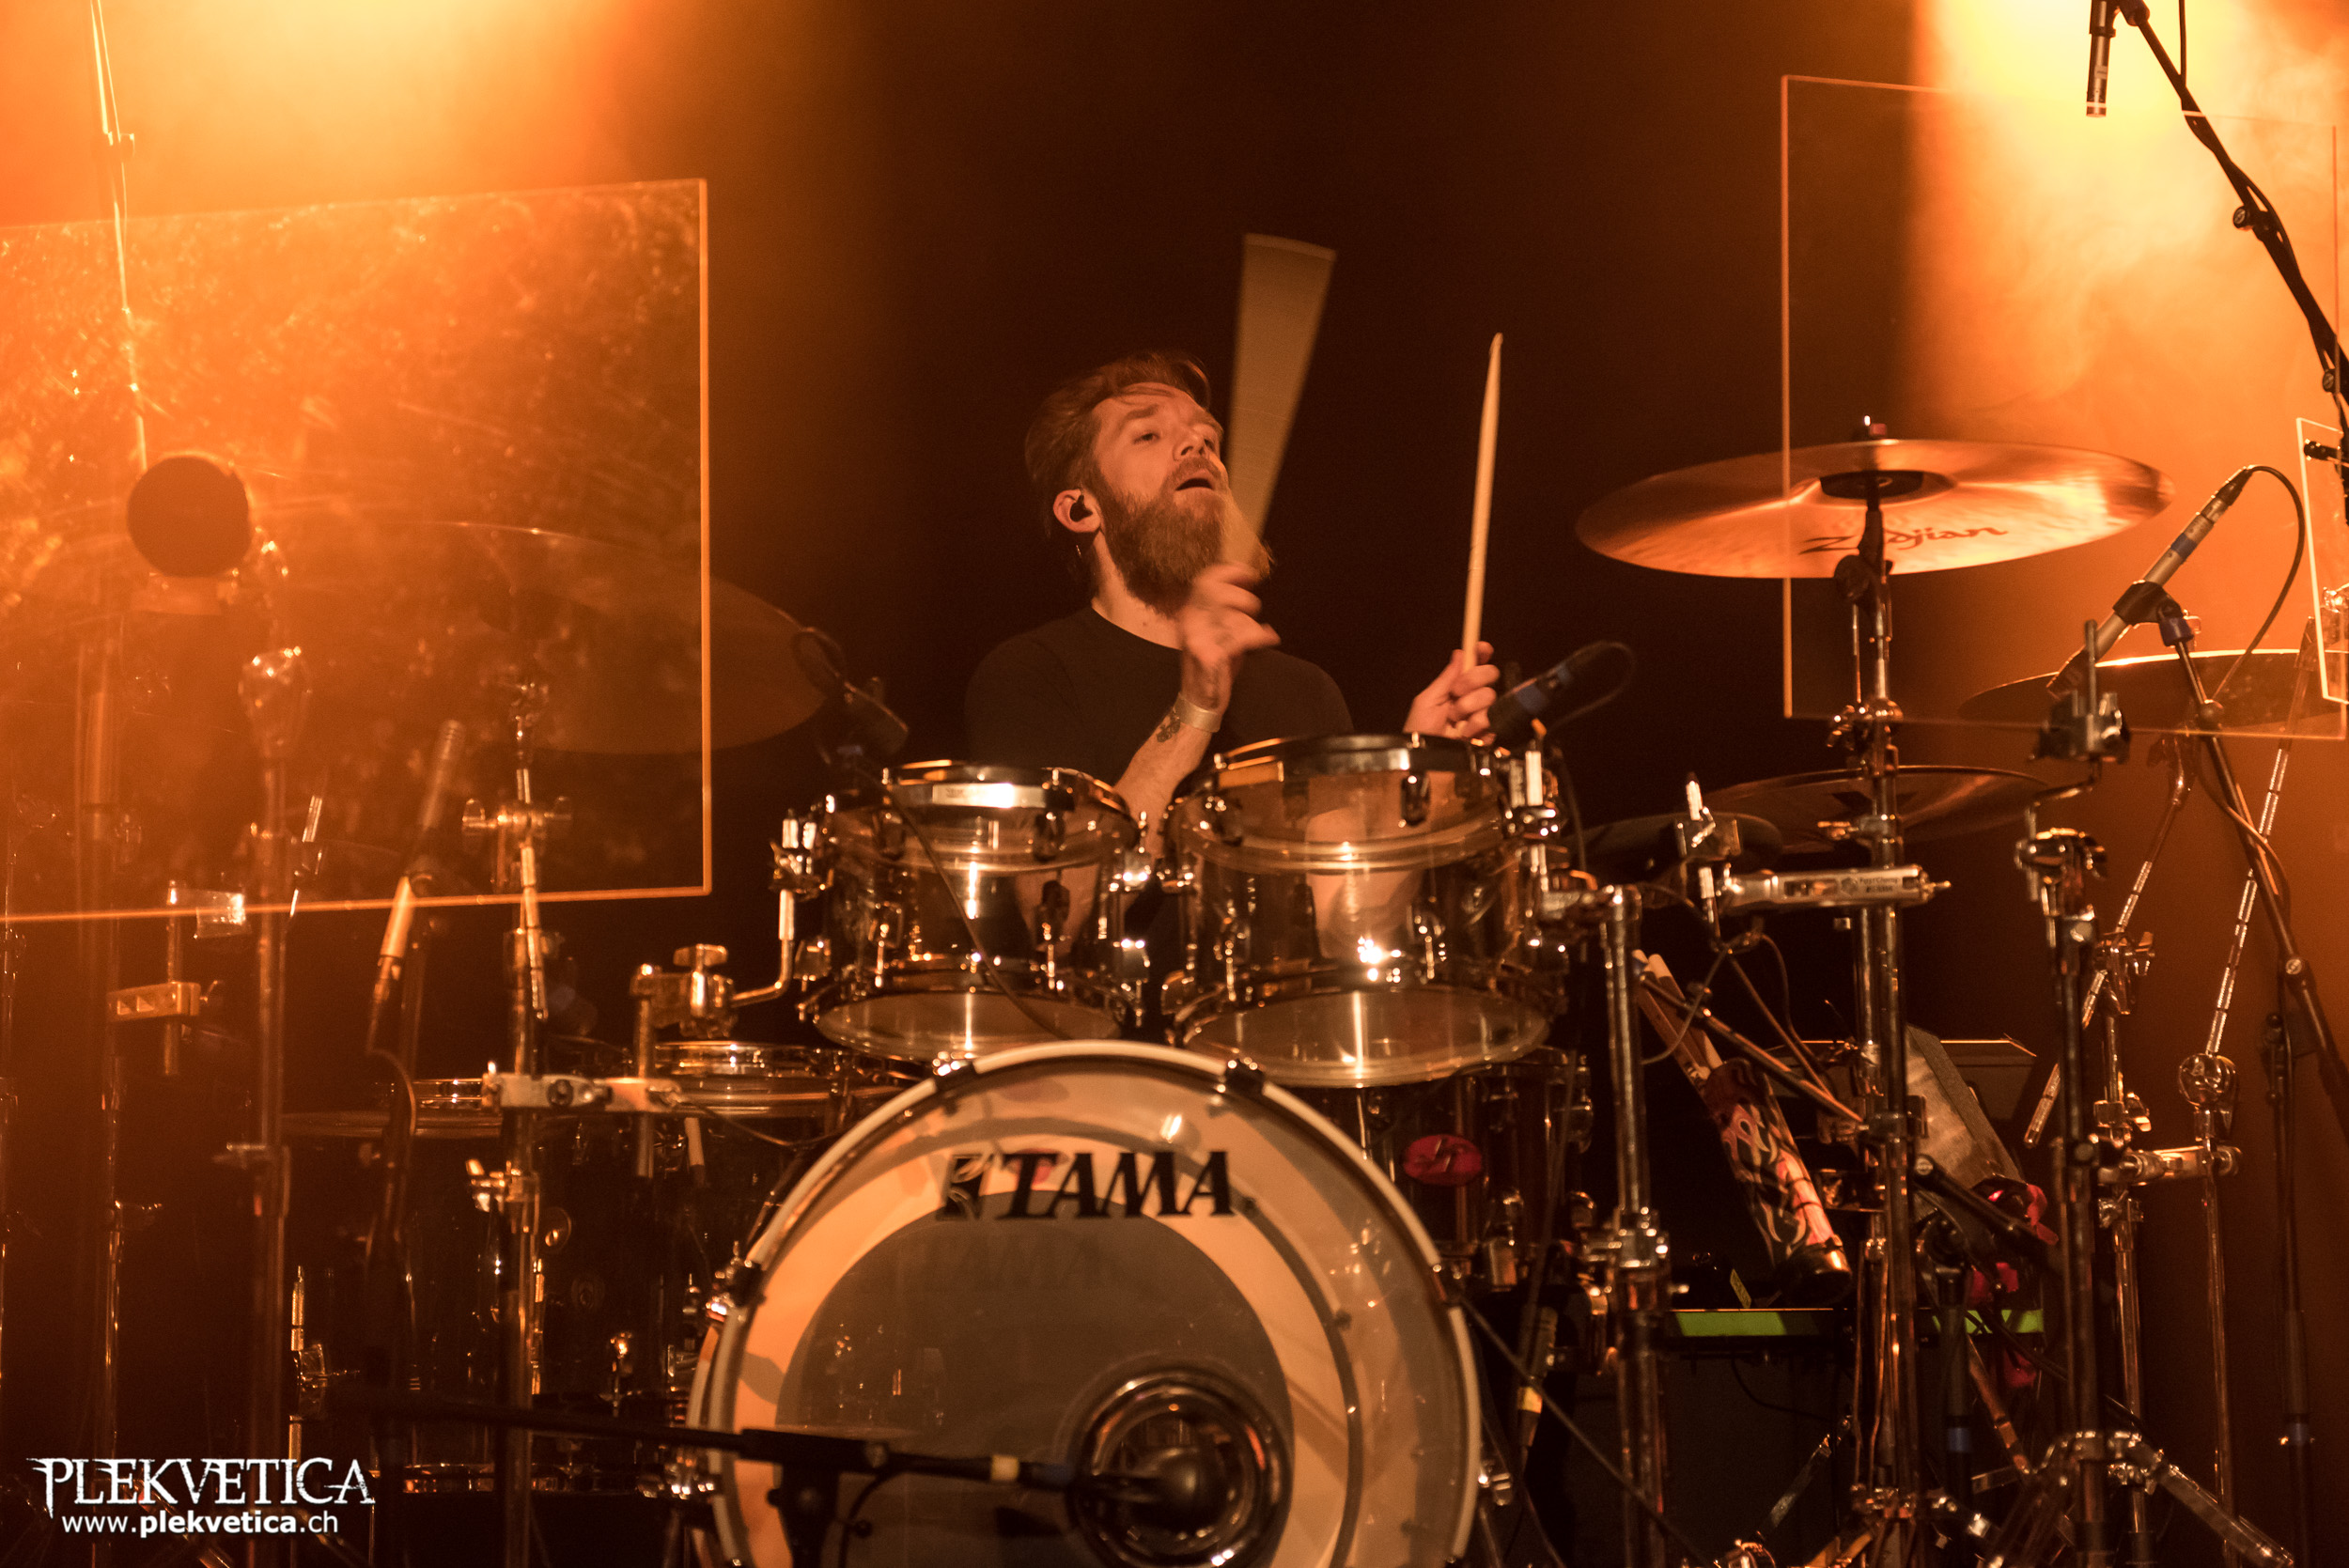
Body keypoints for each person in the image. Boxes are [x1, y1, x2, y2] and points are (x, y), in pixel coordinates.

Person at [965, 350, 1499, 846]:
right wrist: (1196, 708)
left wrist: (1413, 780)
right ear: (1081, 509)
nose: (1197, 447)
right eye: (1148, 435)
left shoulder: (1305, 692)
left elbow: (1342, 909)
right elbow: (1060, 896)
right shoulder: (1032, 675)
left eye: (1209, 439)